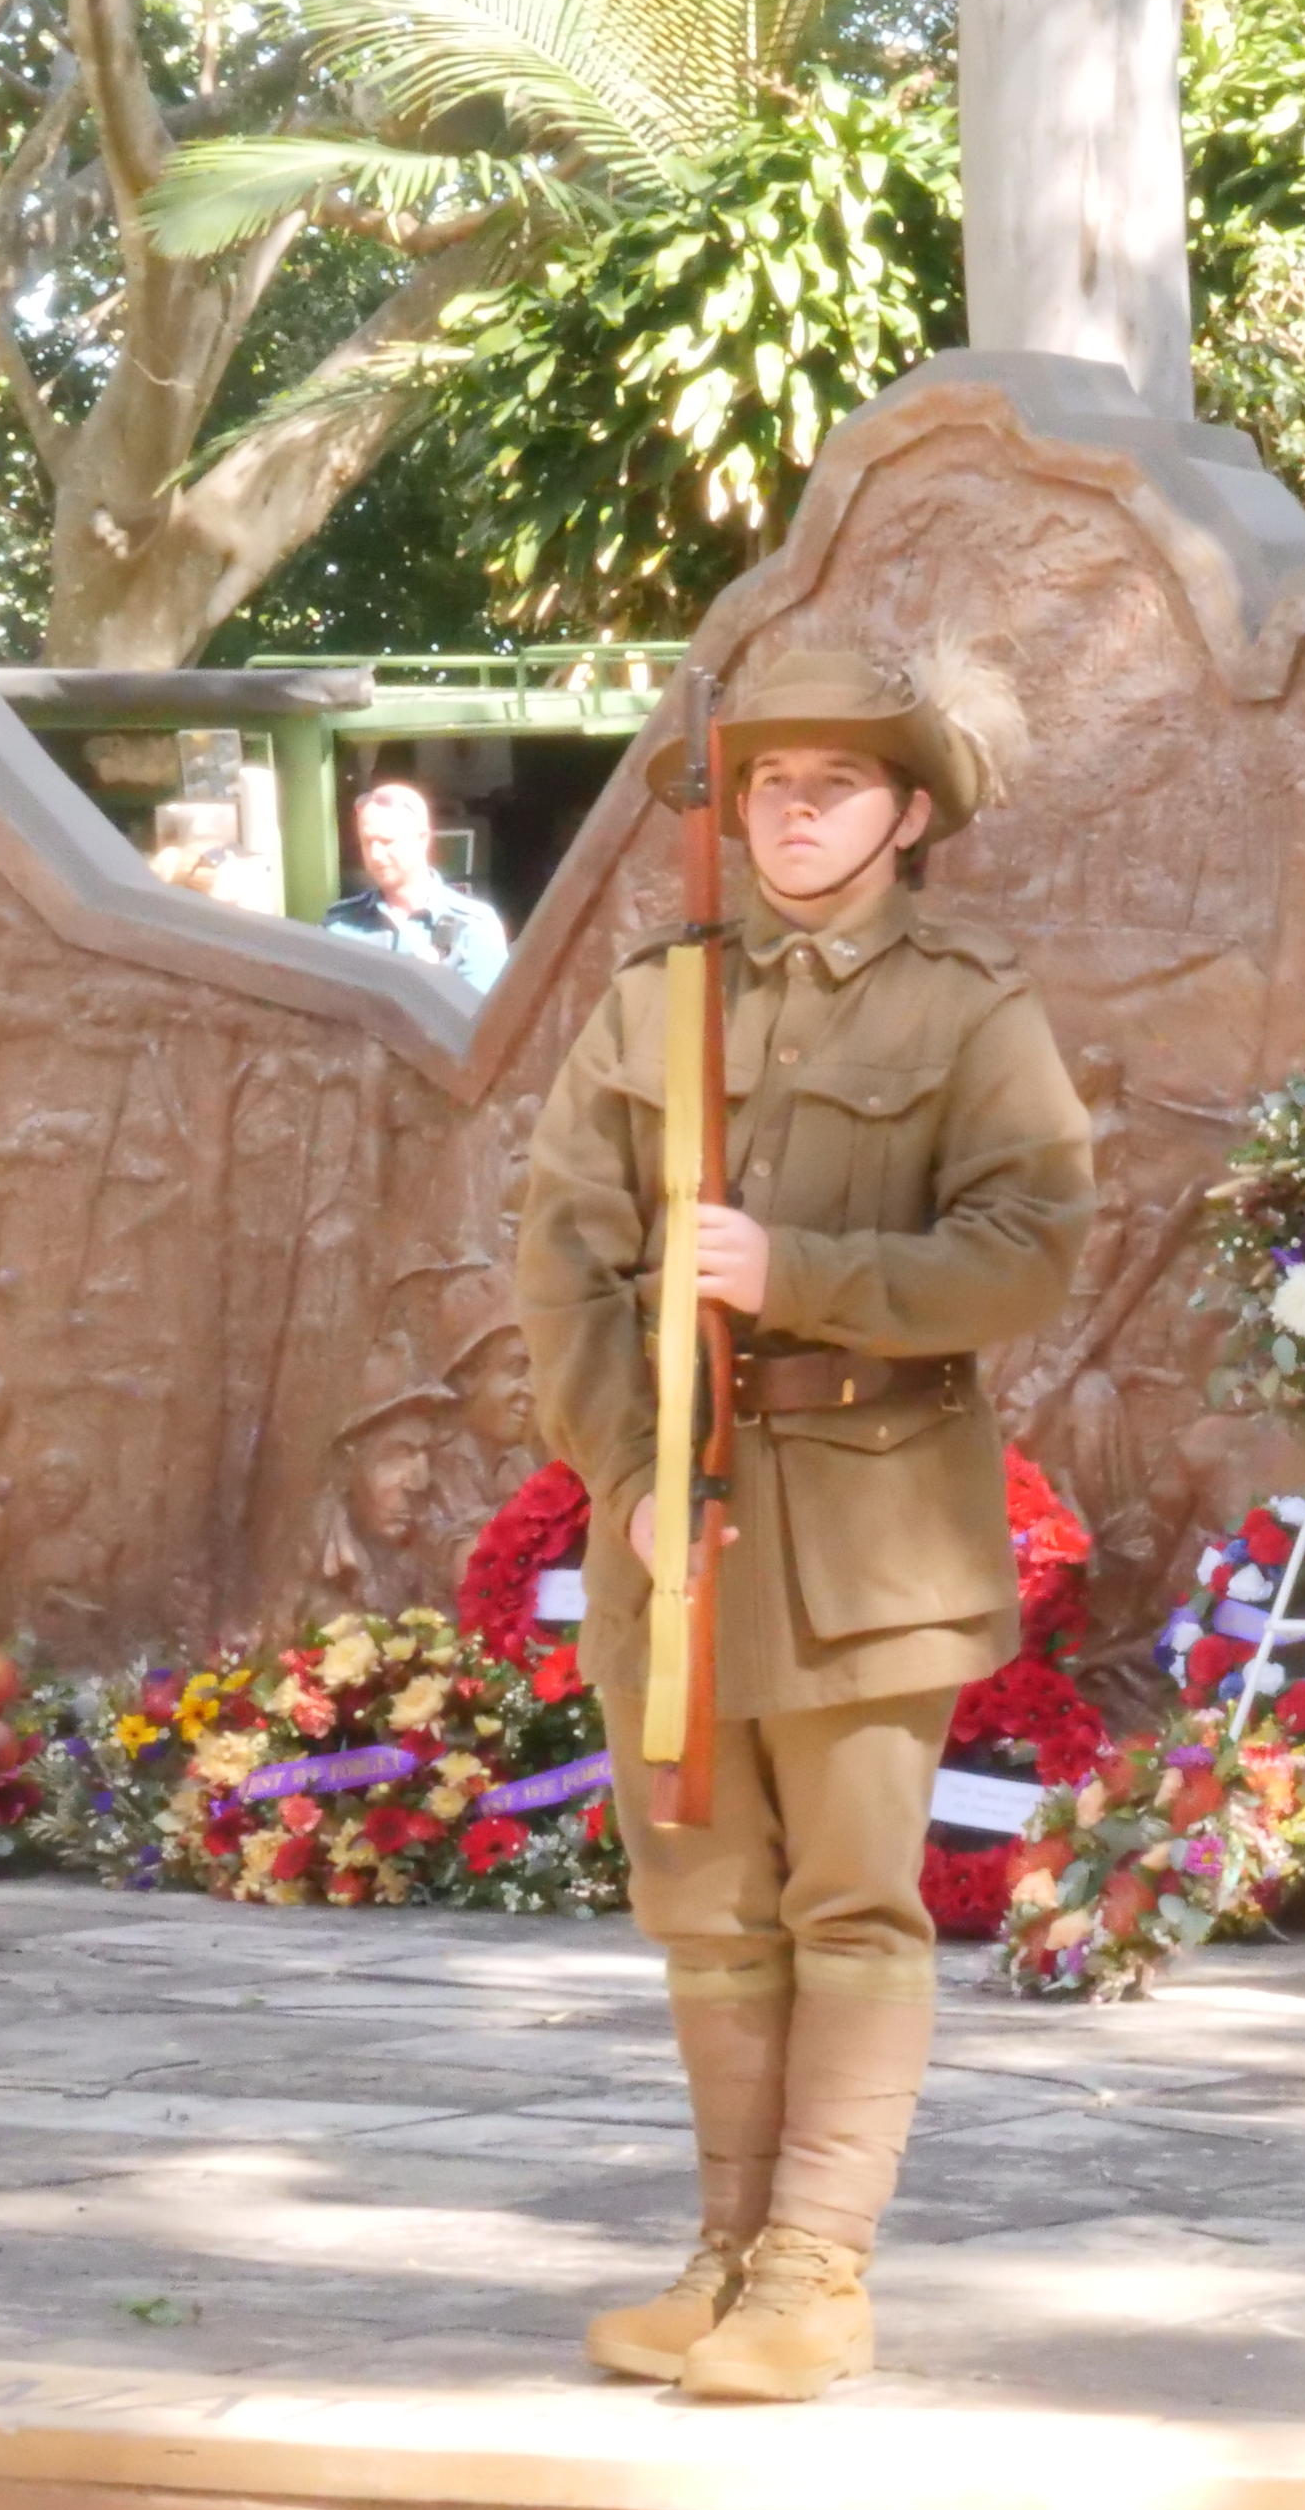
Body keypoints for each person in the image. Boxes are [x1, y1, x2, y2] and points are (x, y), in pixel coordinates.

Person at [515, 645, 1092, 2404]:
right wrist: (626, 1478)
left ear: (911, 814)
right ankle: (727, 2255)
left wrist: (801, 1273)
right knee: (706, 1908)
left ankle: (818, 2272)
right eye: (768, 784)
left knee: (850, 1906)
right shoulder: (653, 1000)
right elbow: (566, 1260)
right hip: (673, 1523)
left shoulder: (971, 1010)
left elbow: (1028, 1249)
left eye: (833, 785)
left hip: (866, 1529)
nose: (790, 812)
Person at [323, 777, 511, 988]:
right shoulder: (340, 924)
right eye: (368, 842)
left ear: (422, 839)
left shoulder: (473, 927)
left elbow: (485, 1017)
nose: (375, 855)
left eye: (387, 841)